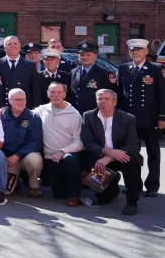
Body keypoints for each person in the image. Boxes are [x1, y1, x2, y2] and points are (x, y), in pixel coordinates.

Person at [80, 89, 142, 214]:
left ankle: (132, 201)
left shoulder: (128, 118)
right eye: (100, 99)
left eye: (106, 99)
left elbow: (131, 144)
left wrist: (110, 157)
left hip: (121, 156)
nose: (103, 101)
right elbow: (87, 142)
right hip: (99, 156)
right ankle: (112, 184)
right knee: (105, 199)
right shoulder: (88, 116)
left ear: (114, 102)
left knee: (132, 160)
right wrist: (107, 152)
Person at [117, 38, 165, 197]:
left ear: (145, 51)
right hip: (129, 119)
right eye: (132, 50)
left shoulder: (156, 69)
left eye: (138, 49)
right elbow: (119, 95)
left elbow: (162, 95)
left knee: (153, 152)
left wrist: (162, 117)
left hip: (150, 119)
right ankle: (134, 184)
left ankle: (152, 185)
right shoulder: (123, 69)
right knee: (131, 153)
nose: (135, 52)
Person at [32, 82, 84, 206]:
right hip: (50, 158)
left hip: (67, 155)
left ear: (65, 94)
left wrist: (62, 152)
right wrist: (4, 109)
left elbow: (80, 141)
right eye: (52, 92)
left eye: (59, 92)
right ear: (48, 94)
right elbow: (22, 112)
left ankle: (75, 195)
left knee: (70, 159)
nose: (56, 95)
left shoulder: (74, 115)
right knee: (58, 194)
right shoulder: (41, 110)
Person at [0, 89, 43, 198]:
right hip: (9, 158)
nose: (19, 102)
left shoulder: (33, 117)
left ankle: (34, 186)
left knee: (34, 160)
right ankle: (16, 181)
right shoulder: (1, 117)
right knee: (6, 191)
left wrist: (18, 155)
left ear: (26, 100)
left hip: (25, 156)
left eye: (22, 99)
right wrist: (6, 157)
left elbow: (36, 142)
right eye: (16, 99)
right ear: (9, 101)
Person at [0, 36, 42, 111]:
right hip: (3, 109)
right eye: (9, 44)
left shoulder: (30, 65)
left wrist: (35, 109)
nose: (12, 46)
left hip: (24, 108)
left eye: (15, 44)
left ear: (19, 47)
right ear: (5, 48)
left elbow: (35, 91)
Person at [69, 41, 117, 113]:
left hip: (95, 115)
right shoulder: (74, 72)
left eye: (88, 55)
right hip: (74, 114)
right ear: (78, 57)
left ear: (95, 56)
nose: (85, 57)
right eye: (82, 55)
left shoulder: (105, 74)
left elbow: (113, 96)